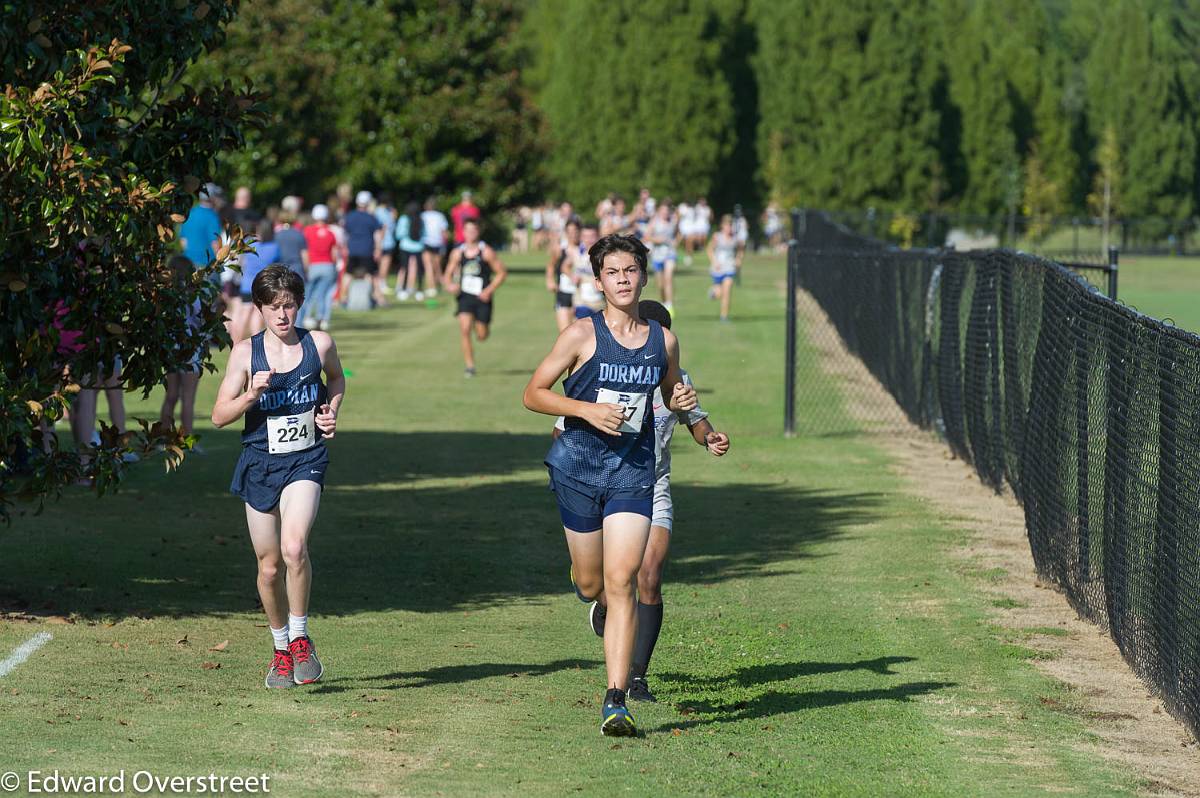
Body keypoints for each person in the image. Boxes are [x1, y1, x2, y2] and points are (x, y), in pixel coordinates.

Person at [522, 234, 698, 737]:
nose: (623, 280)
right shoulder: (580, 335)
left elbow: (670, 391)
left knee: (625, 582)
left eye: (630, 271)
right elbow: (532, 394)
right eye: (612, 272)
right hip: (577, 470)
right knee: (591, 582)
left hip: (633, 474)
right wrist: (586, 410)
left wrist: (684, 402)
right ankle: (594, 602)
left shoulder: (663, 340)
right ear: (598, 281)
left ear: (644, 276)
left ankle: (616, 699)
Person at [211, 265, 346, 689]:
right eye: (274, 308)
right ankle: (281, 648)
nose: (283, 315)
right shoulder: (245, 354)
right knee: (269, 568)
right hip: (259, 462)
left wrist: (331, 411)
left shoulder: (318, 344)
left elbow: (337, 379)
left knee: (294, 547)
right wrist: (252, 394)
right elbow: (218, 416)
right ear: (260, 309)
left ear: (299, 305)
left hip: (306, 459)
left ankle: (302, 637)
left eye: (289, 306)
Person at [619, 300, 729, 702]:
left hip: (654, 484)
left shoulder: (678, 379)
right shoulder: (608, 370)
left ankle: (636, 677)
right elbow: (566, 429)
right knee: (601, 578)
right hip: (608, 482)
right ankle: (601, 601)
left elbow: (696, 422)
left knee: (649, 574)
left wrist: (711, 438)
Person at [443, 218, 506, 377]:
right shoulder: (458, 253)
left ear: (478, 231)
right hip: (464, 296)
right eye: (468, 230)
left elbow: (501, 273)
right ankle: (470, 366)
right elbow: (447, 275)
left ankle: (482, 327)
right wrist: (450, 285)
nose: (471, 233)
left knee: (481, 335)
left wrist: (489, 290)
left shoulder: (486, 251)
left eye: (474, 230)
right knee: (464, 330)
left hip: (482, 298)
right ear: (463, 232)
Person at [161, 255, 205, 451]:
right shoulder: (194, 296)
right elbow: (202, 320)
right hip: (190, 349)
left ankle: (162, 439)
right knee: (188, 398)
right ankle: (187, 441)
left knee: (170, 396)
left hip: (171, 348)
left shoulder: (166, 296)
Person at [234, 219, 280, 342]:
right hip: (262, 284)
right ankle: (256, 342)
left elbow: (240, 261)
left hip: (246, 284)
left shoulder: (249, 244)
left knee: (244, 314)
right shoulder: (274, 247)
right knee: (258, 315)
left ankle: (235, 342)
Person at [301, 204, 341, 331]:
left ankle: (307, 317)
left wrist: (306, 267)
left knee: (308, 294)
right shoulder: (331, 233)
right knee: (324, 294)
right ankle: (323, 319)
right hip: (328, 265)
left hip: (313, 265)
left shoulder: (307, 231)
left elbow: (305, 251)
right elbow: (334, 254)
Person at [546, 219, 582, 332]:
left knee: (581, 331)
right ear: (566, 232)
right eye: (569, 231)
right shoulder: (560, 249)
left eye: (575, 231)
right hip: (564, 291)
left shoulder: (585, 249)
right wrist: (550, 281)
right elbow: (551, 265)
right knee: (564, 332)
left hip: (581, 293)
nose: (573, 234)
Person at [342, 191, 383, 288]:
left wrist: (345, 247)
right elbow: (377, 235)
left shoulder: (349, 216)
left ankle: (342, 297)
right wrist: (378, 249)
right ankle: (368, 296)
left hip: (352, 249)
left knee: (348, 274)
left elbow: (345, 234)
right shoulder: (371, 218)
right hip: (367, 250)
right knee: (369, 274)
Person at [707, 214, 740, 322]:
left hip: (730, 267)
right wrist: (714, 261)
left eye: (731, 226)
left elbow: (741, 250)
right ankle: (713, 293)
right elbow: (710, 250)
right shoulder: (717, 236)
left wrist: (738, 259)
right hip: (718, 268)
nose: (729, 228)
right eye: (727, 225)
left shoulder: (735, 238)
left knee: (727, 290)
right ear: (722, 226)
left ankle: (724, 316)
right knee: (719, 293)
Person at [648, 203, 679, 315]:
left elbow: (678, 232)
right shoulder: (654, 222)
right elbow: (647, 236)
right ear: (659, 211)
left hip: (670, 253)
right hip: (657, 255)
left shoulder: (673, 221)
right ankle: (664, 301)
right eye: (663, 211)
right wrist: (657, 240)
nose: (665, 213)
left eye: (667, 211)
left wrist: (676, 241)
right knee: (660, 285)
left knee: (668, 278)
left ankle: (670, 304)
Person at [394, 201, 427, 301]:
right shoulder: (421, 219)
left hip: (405, 246)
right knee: (419, 270)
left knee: (405, 268)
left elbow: (399, 234)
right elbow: (424, 233)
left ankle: (403, 289)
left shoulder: (404, 219)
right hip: (419, 247)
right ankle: (420, 290)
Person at [573, 224, 605, 319]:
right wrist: (572, 276)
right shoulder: (577, 253)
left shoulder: (604, 256)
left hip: (599, 303)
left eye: (592, 236)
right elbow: (565, 266)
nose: (588, 240)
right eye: (585, 237)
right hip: (581, 302)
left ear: (598, 236)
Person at [420, 196, 450, 289]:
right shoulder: (440, 216)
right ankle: (439, 284)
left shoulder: (422, 215)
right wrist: (445, 244)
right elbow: (444, 232)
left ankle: (432, 287)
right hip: (438, 243)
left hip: (426, 242)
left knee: (428, 265)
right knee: (437, 266)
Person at [274, 211, 308, 278]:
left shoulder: (276, 235)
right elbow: (304, 255)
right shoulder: (299, 234)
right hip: (297, 269)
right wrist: (306, 270)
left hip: (281, 269)